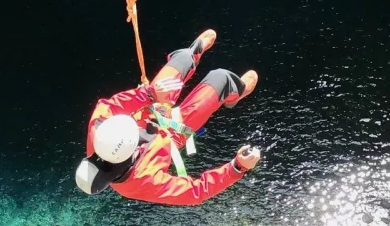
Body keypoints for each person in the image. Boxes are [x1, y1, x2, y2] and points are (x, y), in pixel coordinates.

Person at [75, 30, 261, 206]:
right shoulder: (141, 183)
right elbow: (196, 192)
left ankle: (190, 55)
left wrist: (149, 94)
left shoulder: (99, 134)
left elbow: (109, 105)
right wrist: (236, 167)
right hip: (173, 133)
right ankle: (236, 90)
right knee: (220, 78)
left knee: (181, 60)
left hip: (149, 107)